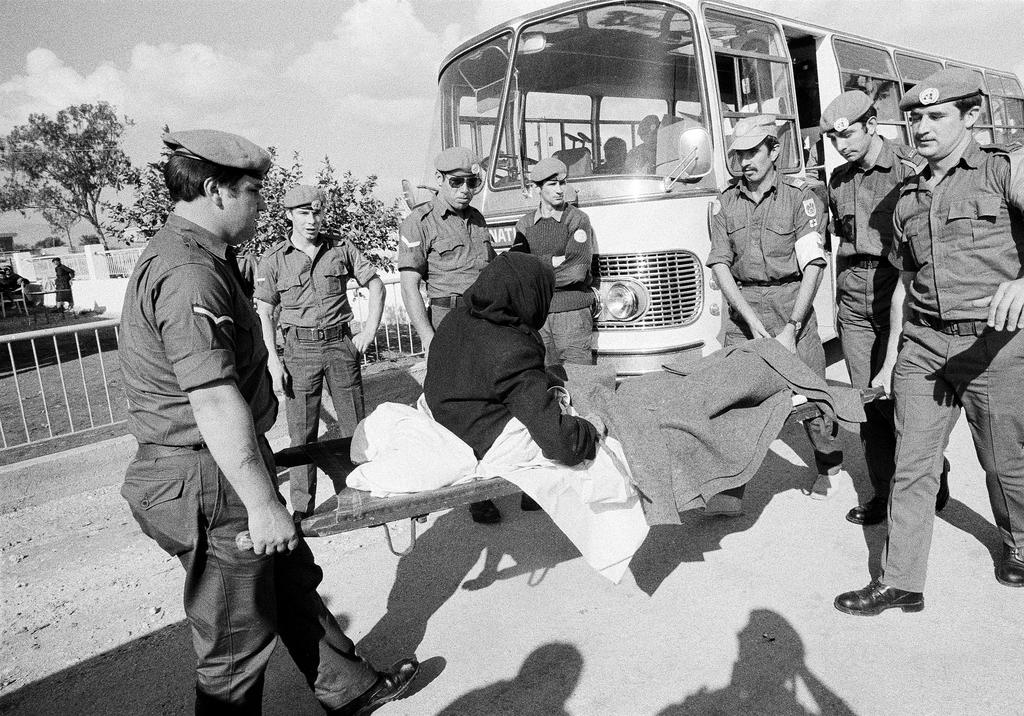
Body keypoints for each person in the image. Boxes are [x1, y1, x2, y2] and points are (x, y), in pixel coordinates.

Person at [119, 129, 417, 714]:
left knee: (288, 582)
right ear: (215, 190)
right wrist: (261, 502)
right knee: (235, 642)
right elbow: (212, 399)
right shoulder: (188, 271)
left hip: (216, 465)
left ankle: (348, 688)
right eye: (254, 190)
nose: (262, 203)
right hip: (208, 475)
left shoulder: (201, 257)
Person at [835, 69, 1024, 616]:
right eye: (914, 116)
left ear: (969, 117)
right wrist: (896, 353)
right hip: (923, 345)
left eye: (936, 115)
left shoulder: (1001, 173)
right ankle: (901, 580)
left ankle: (1019, 544)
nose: (921, 126)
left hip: (995, 346)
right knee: (912, 464)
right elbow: (903, 281)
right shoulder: (906, 197)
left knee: (1005, 463)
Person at [821, 90, 950, 526]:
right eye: (836, 140)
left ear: (872, 125)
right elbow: (839, 241)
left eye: (850, 135)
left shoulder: (910, 168)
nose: (843, 145)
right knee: (869, 403)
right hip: (856, 295)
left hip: (903, 288)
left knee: (908, 402)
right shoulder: (838, 178)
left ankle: (933, 473)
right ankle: (883, 492)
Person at [706, 114, 843, 513]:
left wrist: (792, 328)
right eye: (738, 154)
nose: (745, 161)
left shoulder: (799, 200)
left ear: (774, 151)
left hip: (789, 300)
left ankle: (827, 465)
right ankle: (730, 490)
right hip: (743, 307)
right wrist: (748, 320)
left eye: (752, 152)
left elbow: (813, 267)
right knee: (732, 401)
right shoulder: (723, 204)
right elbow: (720, 266)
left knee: (814, 396)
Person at [256, 185, 385, 523]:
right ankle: (302, 507)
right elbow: (265, 310)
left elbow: (376, 284)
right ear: (289, 215)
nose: (312, 220)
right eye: (303, 213)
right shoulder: (274, 259)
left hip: (340, 345)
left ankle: (361, 497)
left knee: (355, 426)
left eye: (317, 212)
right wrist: (272, 360)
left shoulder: (340, 248)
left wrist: (368, 331)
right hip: (299, 350)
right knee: (302, 431)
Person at [398, 146, 501, 524]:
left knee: (490, 399)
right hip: (446, 318)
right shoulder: (419, 222)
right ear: (440, 181)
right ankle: (451, 486)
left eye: (473, 182)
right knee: (450, 403)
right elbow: (410, 287)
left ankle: (488, 481)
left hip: (484, 319)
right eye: (456, 182)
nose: (465, 189)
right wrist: (427, 337)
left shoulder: (477, 218)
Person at [424, 251, 602, 466]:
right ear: (529, 295)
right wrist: (590, 429)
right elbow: (561, 444)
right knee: (596, 458)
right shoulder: (512, 350)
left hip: (446, 422)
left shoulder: (456, 318)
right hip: (480, 441)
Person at [510, 157, 596, 366]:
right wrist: (553, 261)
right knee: (546, 383)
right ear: (536, 188)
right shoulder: (525, 224)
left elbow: (576, 271)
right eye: (552, 184)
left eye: (563, 183)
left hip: (572, 315)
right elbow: (518, 273)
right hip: (538, 318)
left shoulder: (576, 219)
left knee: (580, 382)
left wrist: (536, 268)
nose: (560, 190)